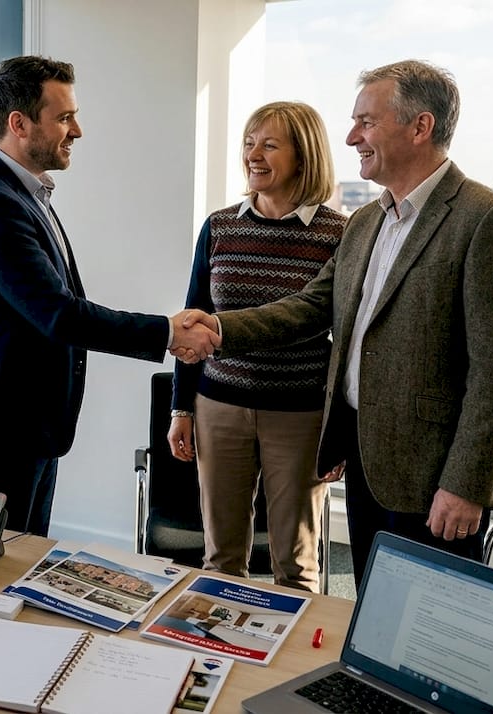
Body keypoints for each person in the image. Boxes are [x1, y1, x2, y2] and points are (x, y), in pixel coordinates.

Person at [197, 59, 493, 586]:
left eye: (367, 122)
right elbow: (310, 307)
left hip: (435, 479)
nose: (353, 136)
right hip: (367, 462)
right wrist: (220, 330)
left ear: (420, 127)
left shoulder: (487, 219)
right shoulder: (366, 221)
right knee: (375, 607)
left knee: (430, 630)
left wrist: (467, 484)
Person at [0, 55, 217, 537]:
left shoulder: (22, 193)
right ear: (18, 124)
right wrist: (166, 332)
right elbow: (58, 314)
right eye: (64, 117)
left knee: (19, 559)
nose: (77, 130)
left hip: (23, 425)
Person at [167, 101, 346, 592]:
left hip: (300, 414)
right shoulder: (220, 226)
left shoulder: (339, 234)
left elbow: (346, 338)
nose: (254, 155)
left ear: (304, 155)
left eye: (270, 144)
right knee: (220, 557)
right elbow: (190, 322)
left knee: (295, 563)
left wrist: (340, 429)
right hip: (219, 407)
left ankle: (292, 666)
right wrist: (182, 408)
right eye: (249, 143)